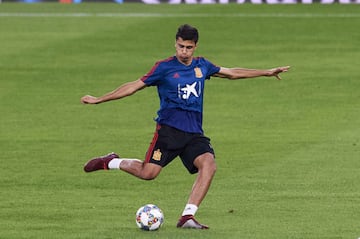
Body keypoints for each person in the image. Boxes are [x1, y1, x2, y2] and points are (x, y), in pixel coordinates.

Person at [81, 24, 289, 229]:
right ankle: (112, 162)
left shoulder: (202, 66)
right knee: (148, 173)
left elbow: (232, 72)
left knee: (209, 164)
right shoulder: (163, 67)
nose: (184, 52)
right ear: (175, 44)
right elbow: (133, 87)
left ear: (195, 46)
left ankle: (187, 216)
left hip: (194, 133)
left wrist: (266, 72)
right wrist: (99, 99)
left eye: (188, 47)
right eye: (181, 46)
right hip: (168, 132)